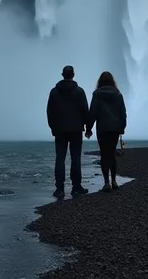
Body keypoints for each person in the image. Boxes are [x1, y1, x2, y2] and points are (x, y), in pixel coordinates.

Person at [47, 65, 89, 198]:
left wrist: (53, 127)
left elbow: (49, 112)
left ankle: (59, 189)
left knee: (60, 158)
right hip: (76, 129)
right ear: (73, 75)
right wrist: (88, 128)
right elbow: (85, 111)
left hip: (59, 130)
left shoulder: (54, 92)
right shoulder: (79, 92)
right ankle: (76, 187)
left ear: (62, 75)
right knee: (75, 158)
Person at [86, 71, 127, 193]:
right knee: (112, 153)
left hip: (103, 128)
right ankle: (114, 181)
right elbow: (123, 113)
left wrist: (89, 128)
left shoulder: (97, 94)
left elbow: (93, 112)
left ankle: (106, 183)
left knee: (104, 154)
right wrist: (122, 127)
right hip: (115, 128)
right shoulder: (118, 95)